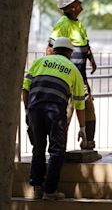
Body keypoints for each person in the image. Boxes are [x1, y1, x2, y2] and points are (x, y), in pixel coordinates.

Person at [22, 37, 86, 200]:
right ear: (70, 52)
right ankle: (50, 191)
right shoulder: (73, 70)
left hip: (35, 108)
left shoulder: (40, 62)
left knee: (38, 148)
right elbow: (79, 103)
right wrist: (83, 128)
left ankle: (37, 188)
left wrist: (28, 111)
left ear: (54, 49)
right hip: (55, 110)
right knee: (57, 151)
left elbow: (25, 88)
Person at [46, 0, 97, 150]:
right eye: (77, 1)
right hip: (68, 79)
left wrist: (91, 59)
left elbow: (85, 46)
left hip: (80, 78)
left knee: (88, 109)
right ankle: (59, 147)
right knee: (67, 112)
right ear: (71, 6)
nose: (81, 3)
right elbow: (50, 49)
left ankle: (88, 144)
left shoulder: (78, 25)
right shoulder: (63, 24)